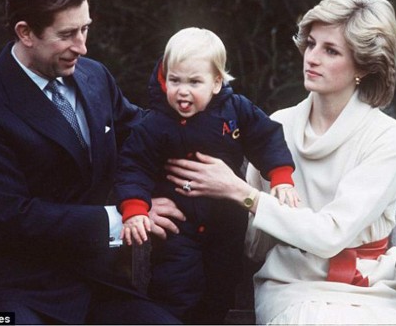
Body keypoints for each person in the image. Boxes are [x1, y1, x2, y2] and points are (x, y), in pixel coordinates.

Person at [0, 0, 184, 325]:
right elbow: (14, 217)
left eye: (85, 29)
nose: (82, 46)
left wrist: (216, 130)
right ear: (25, 32)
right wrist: (122, 218)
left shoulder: (94, 77)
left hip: (99, 283)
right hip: (22, 291)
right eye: (68, 34)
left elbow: (143, 134)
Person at [164, 0, 396, 324]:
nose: (311, 57)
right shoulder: (277, 126)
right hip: (292, 287)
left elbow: (330, 235)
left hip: (369, 293)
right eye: (310, 44)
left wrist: (242, 193)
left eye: (330, 50)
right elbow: (253, 247)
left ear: (364, 66)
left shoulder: (387, 138)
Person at [113, 27, 298, 323]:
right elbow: (134, 166)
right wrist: (135, 208)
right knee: (175, 291)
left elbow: (266, 138)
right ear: (164, 79)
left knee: (220, 289)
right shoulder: (155, 124)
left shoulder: (235, 111)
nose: (182, 90)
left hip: (225, 224)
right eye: (175, 80)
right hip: (177, 229)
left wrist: (280, 176)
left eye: (194, 82)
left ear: (216, 83)